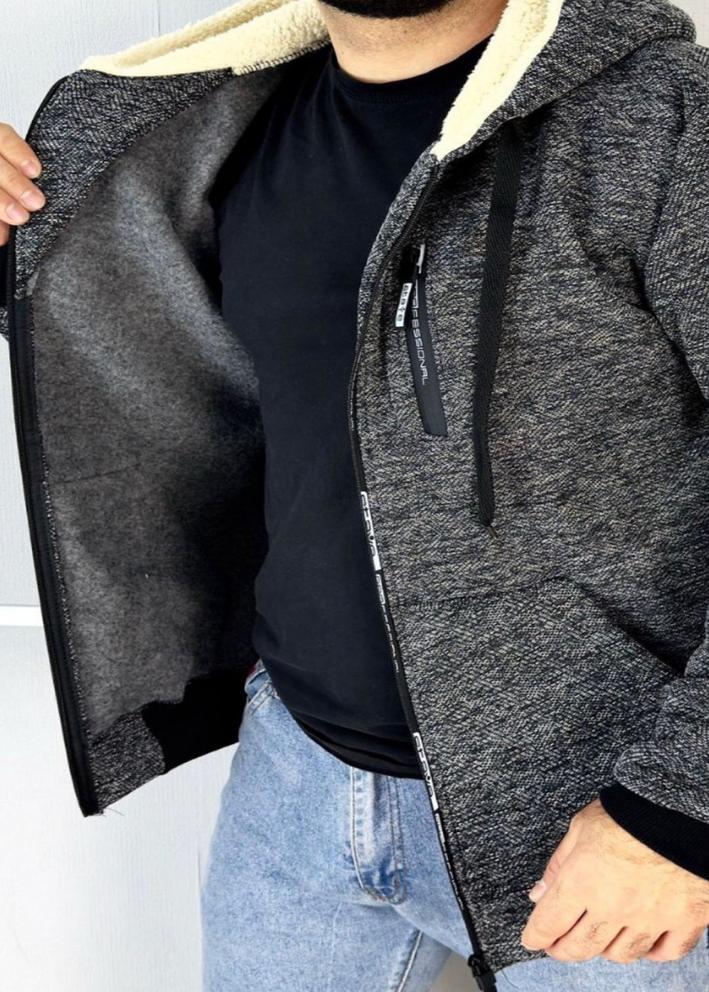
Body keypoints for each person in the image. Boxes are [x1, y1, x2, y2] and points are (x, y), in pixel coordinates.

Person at [2, 0, 709, 988]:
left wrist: (679, 808)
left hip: (600, 813)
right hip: (296, 778)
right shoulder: (214, 125)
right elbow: (110, 352)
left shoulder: (666, 121)